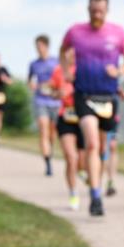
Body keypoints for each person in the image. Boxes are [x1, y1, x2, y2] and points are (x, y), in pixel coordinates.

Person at [60, 0, 124, 217]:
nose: (97, 15)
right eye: (93, 11)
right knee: (91, 143)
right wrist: (65, 71)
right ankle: (94, 195)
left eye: (101, 11)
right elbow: (63, 51)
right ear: (88, 9)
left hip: (108, 96)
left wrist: (120, 70)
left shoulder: (118, 32)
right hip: (84, 94)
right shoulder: (75, 31)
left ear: (107, 10)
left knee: (102, 149)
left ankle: (97, 186)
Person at [51, 48, 86, 211]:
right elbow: (50, 91)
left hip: (85, 117)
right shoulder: (59, 71)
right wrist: (58, 93)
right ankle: (73, 193)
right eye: (69, 52)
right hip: (66, 116)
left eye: (75, 52)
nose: (72, 55)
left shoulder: (86, 70)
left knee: (82, 158)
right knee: (70, 157)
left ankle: (82, 170)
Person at [28, 35, 61, 176]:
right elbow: (30, 80)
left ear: (46, 46)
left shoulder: (56, 62)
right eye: (36, 46)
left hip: (55, 101)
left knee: (52, 133)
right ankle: (47, 163)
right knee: (43, 129)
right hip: (40, 100)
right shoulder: (33, 64)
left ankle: (50, 150)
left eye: (40, 46)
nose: (38, 49)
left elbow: (62, 79)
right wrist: (33, 85)